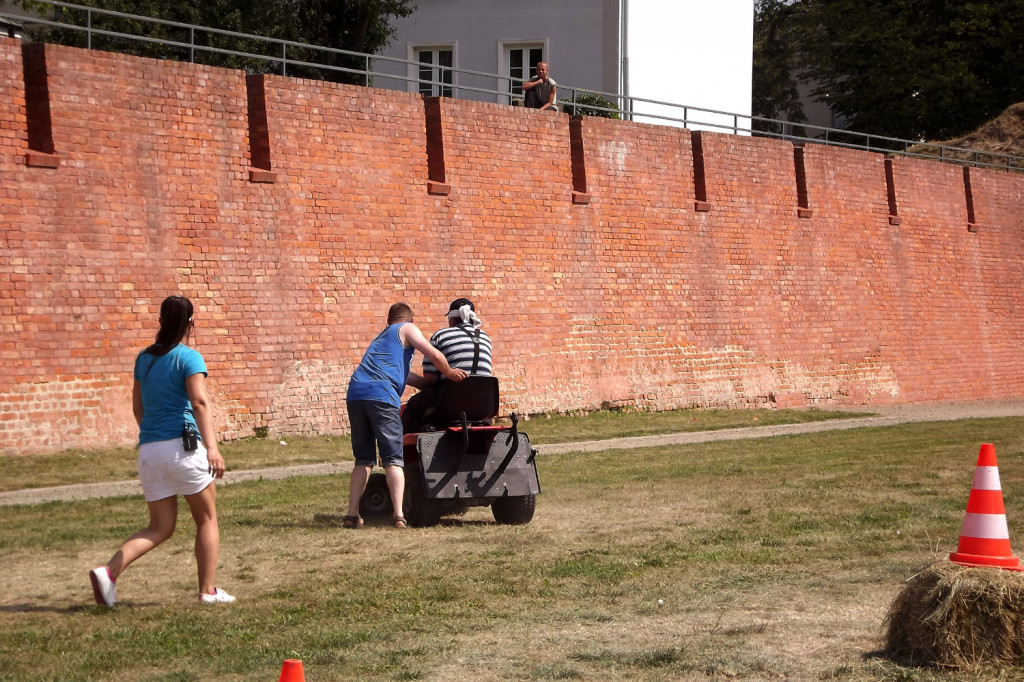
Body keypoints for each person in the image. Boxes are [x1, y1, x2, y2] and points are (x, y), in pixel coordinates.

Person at [89, 295, 234, 607]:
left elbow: (137, 408)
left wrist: (154, 438)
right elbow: (199, 403)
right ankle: (207, 591)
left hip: (150, 451)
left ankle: (109, 570)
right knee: (207, 519)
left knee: (159, 527)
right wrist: (213, 448)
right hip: (184, 448)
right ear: (190, 323)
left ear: (160, 321)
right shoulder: (189, 357)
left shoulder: (144, 359)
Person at [344, 302, 467, 529]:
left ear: (388, 320)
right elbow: (433, 353)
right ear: (409, 320)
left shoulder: (382, 337)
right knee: (393, 458)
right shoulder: (407, 329)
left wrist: (425, 386)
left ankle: (352, 515)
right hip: (381, 396)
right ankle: (399, 515)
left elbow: (403, 374)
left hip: (356, 394)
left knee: (363, 459)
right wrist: (448, 373)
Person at [402, 297, 493, 432]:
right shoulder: (485, 337)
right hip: (483, 404)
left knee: (413, 407)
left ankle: (406, 449)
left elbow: (430, 380)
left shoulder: (441, 335)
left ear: (451, 319)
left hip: (451, 401)